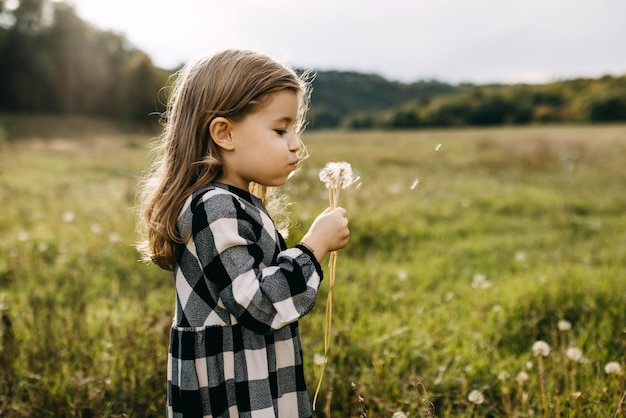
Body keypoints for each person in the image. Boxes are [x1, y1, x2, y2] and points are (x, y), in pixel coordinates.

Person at [136, 49, 350, 418]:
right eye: (281, 129)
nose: (296, 143)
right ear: (224, 133)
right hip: (234, 396)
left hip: (254, 382)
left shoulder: (235, 203)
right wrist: (314, 247)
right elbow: (259, 305)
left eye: (295, 129)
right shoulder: (213, 207)